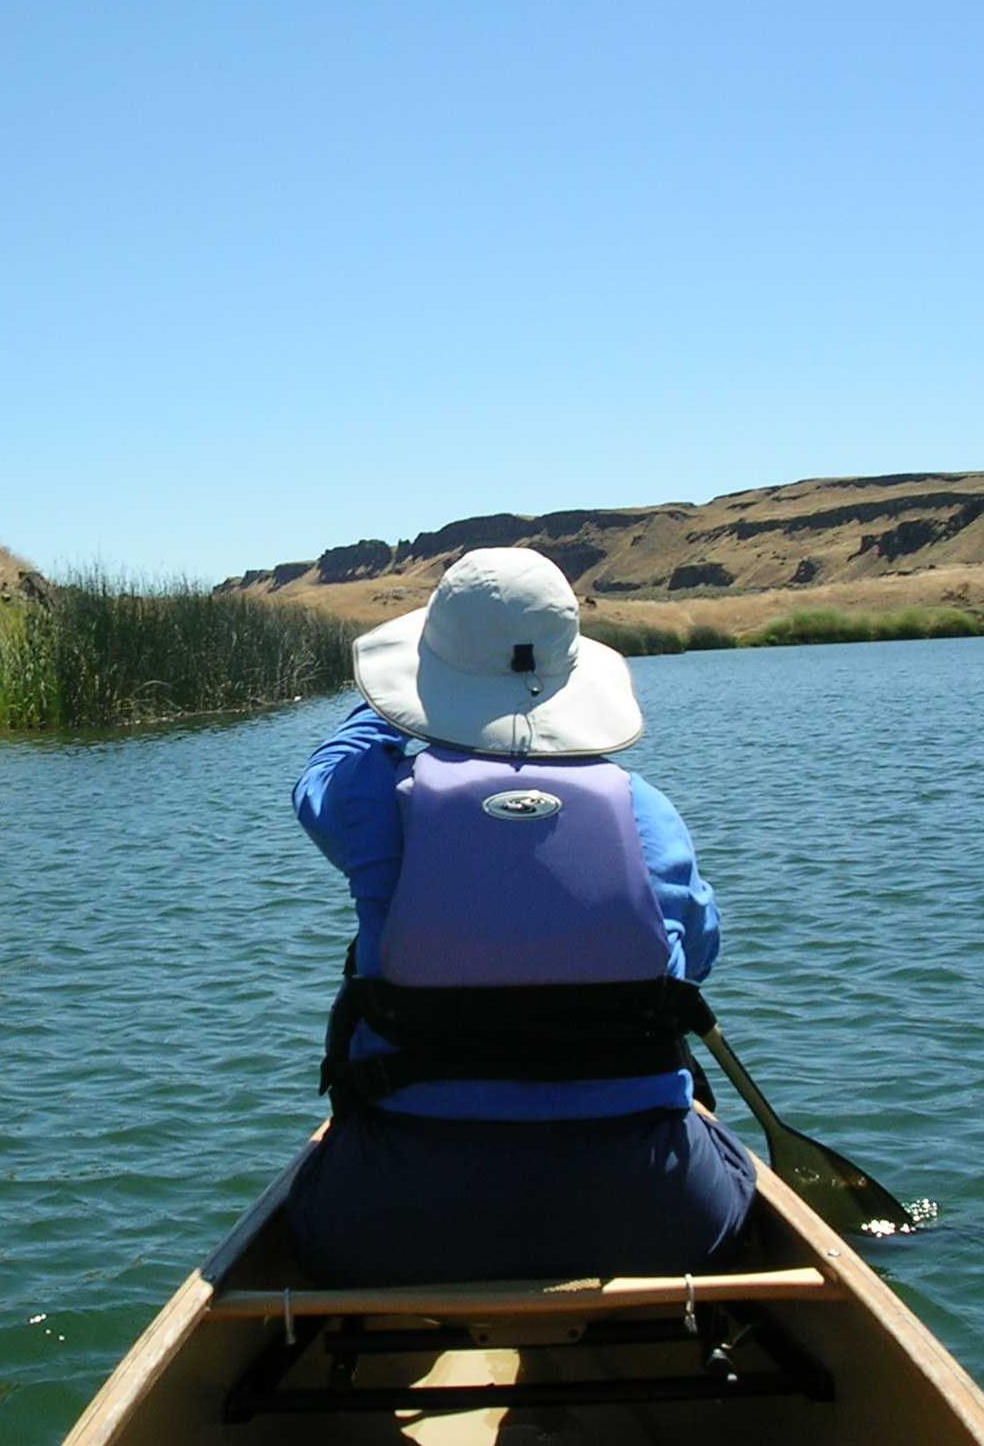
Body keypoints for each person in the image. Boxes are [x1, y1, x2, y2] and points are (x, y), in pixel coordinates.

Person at [286, 547, 755, 1286]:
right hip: (653, 1211)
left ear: (422, 684)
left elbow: (323, 775)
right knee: (725, 1158)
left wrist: (388, 711)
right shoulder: (645, 814)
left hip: (400, 1216)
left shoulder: (372, 805)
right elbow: (697, 956)